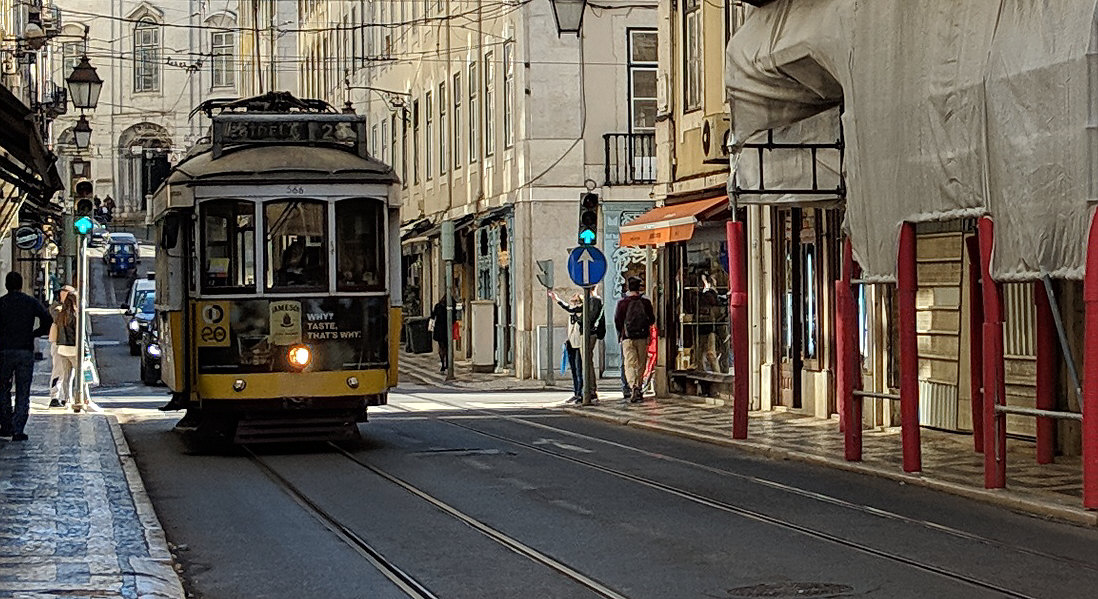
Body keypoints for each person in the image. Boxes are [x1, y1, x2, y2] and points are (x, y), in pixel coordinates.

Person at [0, 272, 53, 441]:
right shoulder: (30, 302)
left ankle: (5, 424)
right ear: (21, 285)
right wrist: (34, 334)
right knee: (23, 390)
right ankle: (18, 429)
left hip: (4, 351)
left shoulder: (2, 303)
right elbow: (48, 320)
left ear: (6, 285)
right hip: (25, 350)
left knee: (2, 388)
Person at [551, 290, 603, 404]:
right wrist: (558, 300)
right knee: (579, 368)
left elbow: (589, 319)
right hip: (574, 342)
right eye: (573, 301)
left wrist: (579, 321)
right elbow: (570, 310)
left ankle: (587, 392)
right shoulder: (580, 310)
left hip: (582, 340)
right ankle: (581, 392)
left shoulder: (594, 302)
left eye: (576, 301)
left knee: (583, 367)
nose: (574, 304)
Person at [615, 276, 656, 403]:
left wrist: (621, 333)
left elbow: (617, 320)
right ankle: (638, 386)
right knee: (641, 364)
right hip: (642, 337)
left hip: (627, 337)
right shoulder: (645, 302)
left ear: (628, 287)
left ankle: (633, 386)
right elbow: (652, 319)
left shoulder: (622, 303)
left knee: (630, 363)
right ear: (639, 287)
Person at [47, 285, 75, 408]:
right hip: (58, 344)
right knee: (58, 371)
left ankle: (66, 397)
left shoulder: (71, 309)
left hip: (69, 345)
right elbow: (57, 317)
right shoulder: (56, 307)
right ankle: (54, 396)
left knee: (69, 374)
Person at [52, 293, 81, 412]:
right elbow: (79, 335)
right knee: (78, 377)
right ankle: (81, 399)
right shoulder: (75, 316)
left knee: (66, 377)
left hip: (62, 349)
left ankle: (67, 400)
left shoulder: (60, 315)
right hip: (73, 350)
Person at [430, 298, 450, 373]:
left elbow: (432, 316)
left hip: (439, 329)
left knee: (441, 347)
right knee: (447, 347)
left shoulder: (437, 306)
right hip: (447, 329)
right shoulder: (449, 307)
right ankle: (447, 362)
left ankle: (442, 363)